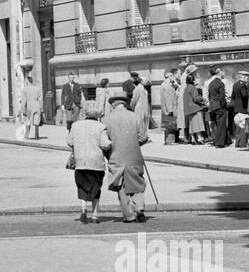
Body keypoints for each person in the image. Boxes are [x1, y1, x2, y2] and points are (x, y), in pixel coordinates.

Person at [103, 91, 149, 223]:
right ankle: (139, 208)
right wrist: (136, 143)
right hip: (134, 155)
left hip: (115, 155)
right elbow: (143, 137)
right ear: (124, 103)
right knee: (137, 181)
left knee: (120, 185)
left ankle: (128, 214)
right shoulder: (135, 117)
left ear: (113, 104)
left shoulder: (106, 120)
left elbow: (104, 142)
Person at [67, 108, 110, 224]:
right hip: (96, 162)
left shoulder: (76, 126)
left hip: (80, 161)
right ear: (97, 116)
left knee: (81, 186)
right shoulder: (101, 127)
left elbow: (70, 141)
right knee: (96, 187)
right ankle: (95, 215)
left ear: (85, 114)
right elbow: (105, 144)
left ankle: (83, 208)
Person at [206, 65, 228, 147]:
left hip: (213, 105)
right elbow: (222, 96)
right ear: (220, 72)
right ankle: (220, 143)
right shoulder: (220, 83)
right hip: (219, 106)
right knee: (221, 125)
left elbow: (209, 95)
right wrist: (223, 105)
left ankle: (217, 141)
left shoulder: (211, 83)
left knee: (215, 125)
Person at [230, 71, 249, 149]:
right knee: (244, 126)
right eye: (246, 77)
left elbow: (233, 96)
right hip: (243, 107)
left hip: (237, 107)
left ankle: (237, 142)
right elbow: (244, 95)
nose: (247, 79)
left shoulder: (235, 84)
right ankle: (242, 143)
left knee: (238, 127)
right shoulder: (243, 86)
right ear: (244, 77)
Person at [183, 70, 206, 143]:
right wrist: (202, 99)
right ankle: (199, 138)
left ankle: (193, 138)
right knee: (198, 123)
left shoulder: (186, 88)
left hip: (188, 109)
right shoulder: (193, 88)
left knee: (192, 124)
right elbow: (196, 98)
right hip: (195, 108)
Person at [160, 68, 181, 145]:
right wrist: (170, 110)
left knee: (168, 125)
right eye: (172, 76)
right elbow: (168, 98)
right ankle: (170, 141)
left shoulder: (164, 84)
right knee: (170, 125)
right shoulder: (167, 85)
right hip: (169, 109)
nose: (173, 78)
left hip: (166, 109)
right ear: (169, 77)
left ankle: (169, 140)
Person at [20, 71, 43, 139]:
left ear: (27, 81)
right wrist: (41, 108)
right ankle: (36, 136)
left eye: (25, 81)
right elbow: (40, 99)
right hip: (36, 106)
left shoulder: (25, 89)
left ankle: (26, 135)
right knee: (36, 121)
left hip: (29, 107)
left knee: (28, 121)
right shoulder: (37, 88)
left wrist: (23, 110)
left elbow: (24, 101)